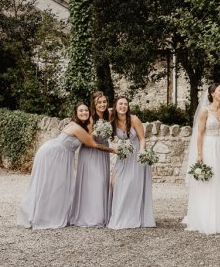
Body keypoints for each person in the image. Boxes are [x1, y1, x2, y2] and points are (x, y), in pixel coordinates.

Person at [17, 102, 115, 229]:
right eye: (81, 111)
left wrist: (110, 111)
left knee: (58, 185)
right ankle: (39, 216)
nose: (84, 112)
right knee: (50, 184)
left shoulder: (82, 126)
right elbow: (94, 144)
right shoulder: (76, 127)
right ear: (76, 113)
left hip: (62, 154)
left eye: (86, 110)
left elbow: (109, 112)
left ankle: (47, 214)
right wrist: (114, 150)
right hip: (54, 153)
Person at [183, 83, 220, 234]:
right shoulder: (204, 112)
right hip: (209, 148)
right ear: (213, 93)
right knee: (209, 182)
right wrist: (200, 154)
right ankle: (206, 219)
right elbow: (200, 134)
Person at [107, 95, 156, 229]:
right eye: (120, 104)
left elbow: (142, 138)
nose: (123, 106)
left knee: (133, 186)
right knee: (118, 184)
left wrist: (141, 152)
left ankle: (134, 217)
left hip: (136, 156)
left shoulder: (134, 119)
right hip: (123, 156)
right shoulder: (113, 120)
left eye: (125, 104)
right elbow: (105, 109)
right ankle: (120, 217)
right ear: (115, 106)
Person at [69, 91, 111, 227]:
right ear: (94, 104)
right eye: (99, 102)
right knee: (94, 182)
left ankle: (103, 215)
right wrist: (97, 130)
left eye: (104, 102)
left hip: (102, 151)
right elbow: (87, 139)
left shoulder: (108, 115)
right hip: (91, 152)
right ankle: (92, 217)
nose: (102, 104)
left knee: (103, 182)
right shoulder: (91, 118)